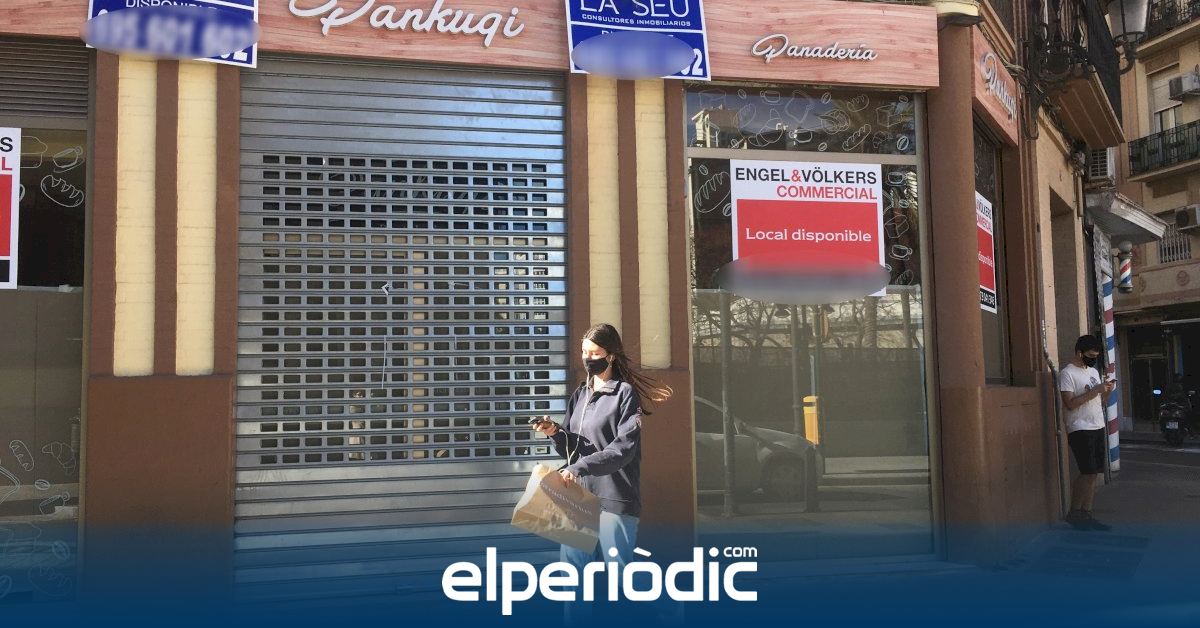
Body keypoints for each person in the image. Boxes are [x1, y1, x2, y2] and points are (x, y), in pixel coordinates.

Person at [532, 323, 672, 622]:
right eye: (584, 352)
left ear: (611, 356)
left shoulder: (624, 394)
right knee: (572, 571)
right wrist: (555, 432)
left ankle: (672, 608)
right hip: (579, 495)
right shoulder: (580, 395)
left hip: (614, 495)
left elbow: (623, 450)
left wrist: (578, 467)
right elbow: (573, 448)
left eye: (595, 353)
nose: (588, 359)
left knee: (621, 572)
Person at [1058, 334, 1116, 531]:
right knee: (1087, 471)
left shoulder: (1093, 372)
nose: (1093, 359)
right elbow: (1070, 403)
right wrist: (1095, 391)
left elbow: (1100, 402)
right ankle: (1075, 512)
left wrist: (1107, 390)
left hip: (1097, 425)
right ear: (1079, 352)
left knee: (1094, 473)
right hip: (1079, 427)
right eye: (1090, 355)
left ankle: (1087, 513)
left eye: (1095, 356)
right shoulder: (1067, 374)